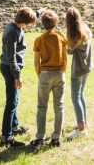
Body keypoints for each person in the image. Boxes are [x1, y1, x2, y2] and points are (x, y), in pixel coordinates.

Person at [0, 7, 38, 147]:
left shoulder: (16, 24)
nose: (27, 27)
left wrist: (41, 11)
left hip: (10, 68)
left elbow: (33, 14)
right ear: (22, 21)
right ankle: (6, 137)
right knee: (11, 102)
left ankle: (14, 127)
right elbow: (11, 57)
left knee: (14, 99)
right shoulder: (12, 33)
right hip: (10, 69)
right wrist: (17, 76)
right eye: (27, 24)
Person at [30, 9, 68, 148]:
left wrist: (39, 75)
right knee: (59, 106)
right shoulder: (61, 38)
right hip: (59, 73)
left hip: (45, 74)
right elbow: (64, 58)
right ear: (56, 23)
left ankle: (40, 137)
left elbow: (36, 61)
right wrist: (62, 71)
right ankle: (56, 137)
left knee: (41, 107)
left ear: (42, 23)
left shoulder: (39, 39)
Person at [65, 7, 93, 140]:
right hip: (87, 67)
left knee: (75, 97)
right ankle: (83, 122)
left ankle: (81, 129)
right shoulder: (85, 28)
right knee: (81, 95)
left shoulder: (76, 35)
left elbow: (69, 51)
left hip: (78, 69)